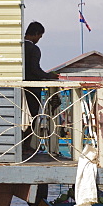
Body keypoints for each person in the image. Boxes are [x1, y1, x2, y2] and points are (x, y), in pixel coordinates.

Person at [23, 21, 58, 156]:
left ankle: (20, 144)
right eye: (39, 36)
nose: (39, 40)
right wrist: (50, 76)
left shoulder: (19, 47)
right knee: (32, 117)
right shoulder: (34, 49)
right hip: (32, 89)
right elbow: (35, 70)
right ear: (36, 34)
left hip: (19, 89)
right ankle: (27, 146)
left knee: (21, 117)